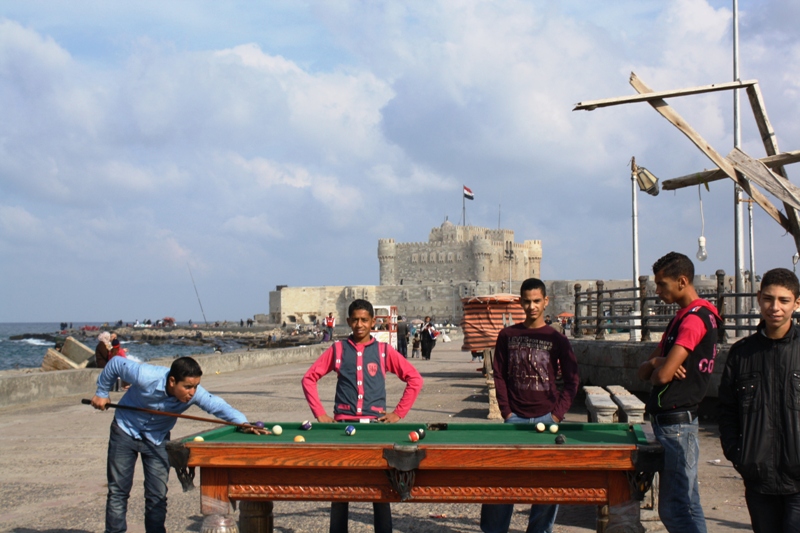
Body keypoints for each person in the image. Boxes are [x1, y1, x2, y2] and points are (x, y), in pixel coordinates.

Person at [90, 356, 267, 533]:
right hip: (125, 430)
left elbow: (217, 405)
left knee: (157, 495)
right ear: (172, 381)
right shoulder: (146, 375)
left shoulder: (194, 394)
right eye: (188, 387)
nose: (192, 392)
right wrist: (102, 392)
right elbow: (114, 364)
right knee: (118, 491)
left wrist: (244, 423)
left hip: (157, 438)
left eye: (196, 386)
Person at [302, 299, 423, 533]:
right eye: (355, 320)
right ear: (348, 321)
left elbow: (414, 379)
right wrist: (320, 413)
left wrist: (398, 413)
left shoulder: (383, 351)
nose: (359, 325)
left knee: (381, 490)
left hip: (375, 427)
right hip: (343, 427)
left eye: (364, 320)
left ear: (373, 322)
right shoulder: (337, 350)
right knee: (340, 489)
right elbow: (309, 378)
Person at [481, 278, 580, 533]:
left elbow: (572, 380)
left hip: (547, 419)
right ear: (521, 302)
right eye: (527, 301)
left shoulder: (557, 339)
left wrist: (556, 415)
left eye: (537, 301)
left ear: (545, 302)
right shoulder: (508, 335)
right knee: (502, 481)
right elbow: (499, 374)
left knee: (548, 486)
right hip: (514, 419)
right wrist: (506, 411)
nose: (531, 306)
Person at [637, 251, 720, 533]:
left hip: (677, 424)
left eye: (663, 285)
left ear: (682, 281)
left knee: (673, 508)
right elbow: (646, 370)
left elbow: (659, 377)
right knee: (687, 503)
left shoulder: (694, 320)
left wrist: (660, 367)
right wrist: (660, 362)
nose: (658, 292)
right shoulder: (682, 318)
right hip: (674, 422)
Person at [718, 268, 800, 532]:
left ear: (796, 303)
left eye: (784, 300)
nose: (774, 307)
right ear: (758, 298)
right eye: (768, 298)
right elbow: (727, 411)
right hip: (757, 479)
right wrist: (739, 455)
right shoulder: (741, 355)